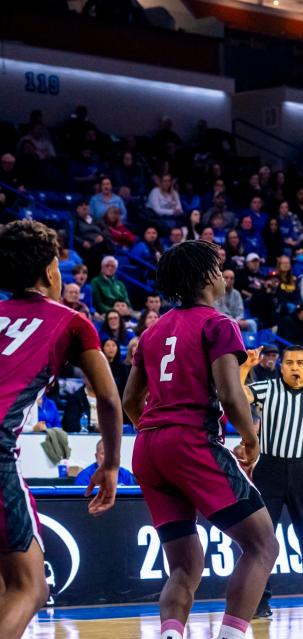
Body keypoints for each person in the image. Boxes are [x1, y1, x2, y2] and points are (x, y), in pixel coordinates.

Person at [121, 241, 278, 639]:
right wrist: (250, 439)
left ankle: (171, 634)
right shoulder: (219, 323)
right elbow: (230, 393)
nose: (223, 273)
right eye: (218, 266)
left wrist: (158, 437)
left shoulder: (152, 331)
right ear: (206, 275)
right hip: (191, 439)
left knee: (185, 567)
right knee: (263, 546)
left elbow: (129, 400)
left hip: (148, 446)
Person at [0, 220, 122, 638]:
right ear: (52, 272)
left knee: (6, 584)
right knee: (31, 587)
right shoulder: (70, 321)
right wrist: (111, 465)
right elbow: (107, 398)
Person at [239, 345, 303, 621]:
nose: (294, 367)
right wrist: (246, 367)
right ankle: (260, 602)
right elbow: (237, 396)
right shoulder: (266, 388)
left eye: (300, 363)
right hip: (269, 469)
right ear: (281, 366)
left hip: (302, 471)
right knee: (261, 540)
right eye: (289, 362)